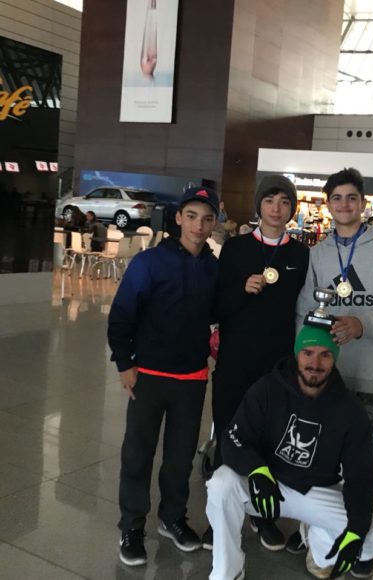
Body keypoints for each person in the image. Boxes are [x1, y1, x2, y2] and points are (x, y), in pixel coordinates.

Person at [206, 326, 373, 580]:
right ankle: (227, 571)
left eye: (325, 355)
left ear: (334, 358)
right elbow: (232, 439)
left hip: (316, 491)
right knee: (221, 484)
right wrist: (257, 469)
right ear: (297, 355)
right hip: (268, 486)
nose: (315, 364)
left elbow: (361, 478)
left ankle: (318, 544)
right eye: (308, 353)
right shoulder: (268, 389)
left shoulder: (349, 410)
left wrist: (356, 531)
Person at [108, 186, 219, 567]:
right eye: (192, 216)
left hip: (192, 377)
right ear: (179, 218)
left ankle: (172, 518)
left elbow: (218, 311)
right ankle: (132, 527)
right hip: (150, 375)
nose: (198, 225)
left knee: (180, 457)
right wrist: (125, 364)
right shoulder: (150, 262)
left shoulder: (213, 267)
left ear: (214, 224)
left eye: (207, 219)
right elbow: (122, 314)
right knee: (138, 454)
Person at [208, 174, 309, 551]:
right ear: (258, 206)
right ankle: (219, 518)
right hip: (235, 361)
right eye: (270, 200)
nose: (277, 209)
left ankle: (263, 515)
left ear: (292, 209)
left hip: (277, 367)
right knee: (227, 435)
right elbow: (216, 306)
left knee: (271, 439)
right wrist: (242, 290)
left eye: (284, 202)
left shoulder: (300, 255)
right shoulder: (235, 249)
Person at [296, 167, 373, 455]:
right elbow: (305, 311)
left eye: (351, 197)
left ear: (362, 203)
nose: (344, 204)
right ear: (328, 204)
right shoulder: (317, 254)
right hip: (325, 375)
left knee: (362, 460)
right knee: (321, 456)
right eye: (336, 198)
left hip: (371, 376)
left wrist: (361, 324)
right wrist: (304, 358)